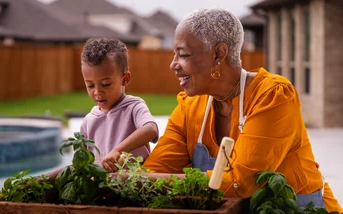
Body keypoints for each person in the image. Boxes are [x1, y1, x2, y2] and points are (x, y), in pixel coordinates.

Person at [142, 8, 342, 212]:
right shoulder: (189, 107)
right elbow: (156, 170)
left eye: (183, 55)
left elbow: (240, 182)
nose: (173, 65)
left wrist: (147, 180)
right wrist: (129, 178)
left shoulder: (272, 96)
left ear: (218, 54)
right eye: (174, 54)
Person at [80, 38, 159, 173]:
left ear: (125, 79)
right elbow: (82, 161)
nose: (97, 92)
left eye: (105, 84)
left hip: (133, 185)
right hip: (103, 188)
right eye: (90, 85)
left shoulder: (134, 107)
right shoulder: (88, 121)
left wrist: (117, 150)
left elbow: (151, 129)